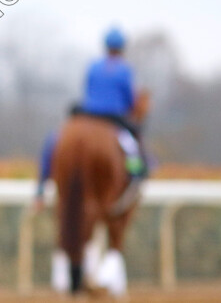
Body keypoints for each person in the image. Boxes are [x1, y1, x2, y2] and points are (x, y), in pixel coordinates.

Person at [33, 28, 147, 210]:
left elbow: (88, 91)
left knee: (54, 140)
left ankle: (40, 190)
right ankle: (136, 178)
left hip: (87, 114)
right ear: (121, 49)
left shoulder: (93, 66)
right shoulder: (125, 70)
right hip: (114, 118)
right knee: (132, 145)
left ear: (106, 47)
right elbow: (129, 101)